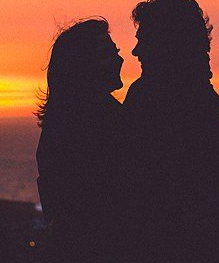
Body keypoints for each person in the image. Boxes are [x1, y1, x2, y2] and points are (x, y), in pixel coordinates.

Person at [123, 0, 219, 262]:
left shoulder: (158, 101)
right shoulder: (202, 103)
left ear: (166, 44)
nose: (135, 51)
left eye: (144, 41)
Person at [35, 18, 129, 262]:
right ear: (85, 65)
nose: (120, 59)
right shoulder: (102, 122)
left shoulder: (60, 124)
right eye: (109, 54)